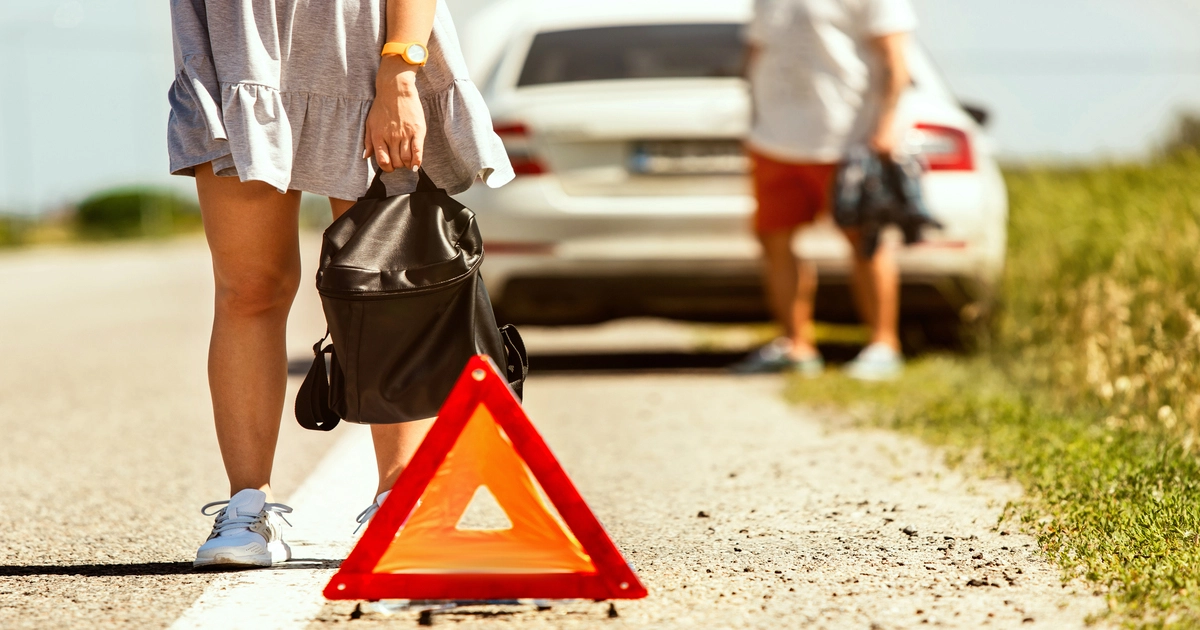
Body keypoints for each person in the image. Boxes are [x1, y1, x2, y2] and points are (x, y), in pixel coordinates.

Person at [167, 0, 513, 568]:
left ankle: (397, 502)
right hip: (240, 59)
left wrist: (401, 69)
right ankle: (247, 507)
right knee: (249, 288)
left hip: (368, 53)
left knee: (385, 291)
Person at [734, 0, 916, 380]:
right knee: (774, 239)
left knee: (865, 240)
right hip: (773, 139)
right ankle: (795, 345)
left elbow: (895, 62)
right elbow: (756, 52)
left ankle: (884, 345)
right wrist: (749, 120)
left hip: (844, 137)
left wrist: (885, 126)